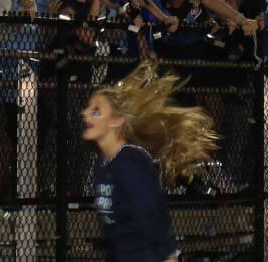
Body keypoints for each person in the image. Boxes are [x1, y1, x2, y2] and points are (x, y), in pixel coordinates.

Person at [82, 61, 218, 261]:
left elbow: (151, 218)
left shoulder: (130, 161)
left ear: (116, 120)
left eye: (96, 111)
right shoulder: (102, 165)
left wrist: (168, 256)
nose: (85, 113)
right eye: (88, 108)